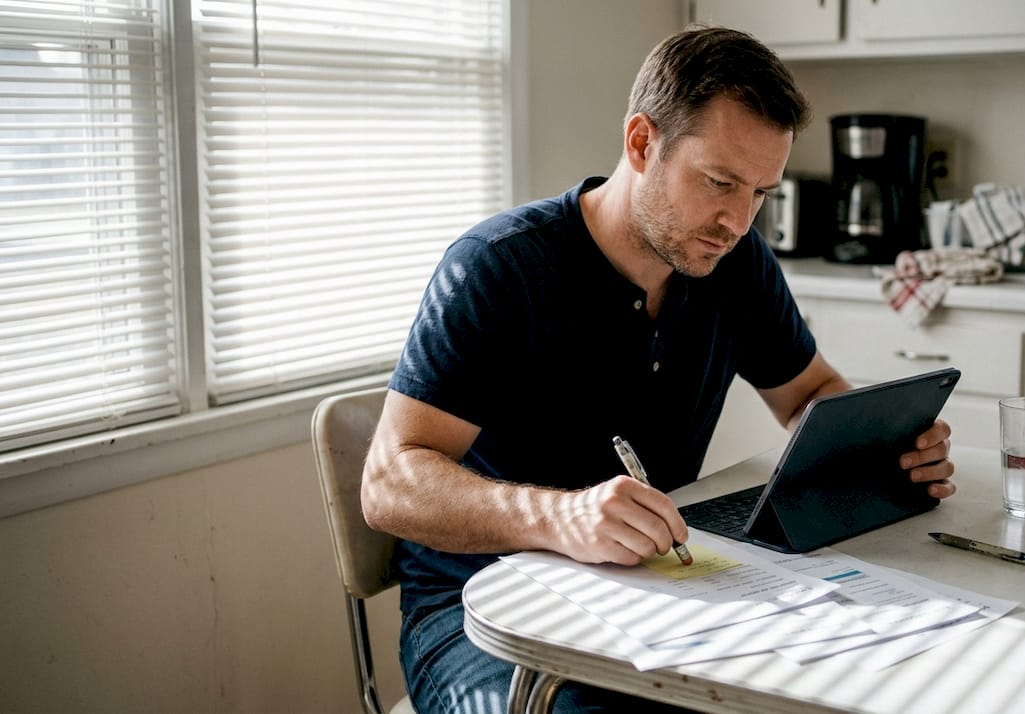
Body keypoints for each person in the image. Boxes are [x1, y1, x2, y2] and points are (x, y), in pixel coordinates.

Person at [361, 24, 956, 714]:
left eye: (760, 192)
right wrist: (561, 516)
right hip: (483, 615)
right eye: (719, 182)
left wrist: (881, 446)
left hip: (654, 592)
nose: (738, 220)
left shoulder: (734, 264)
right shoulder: (498, 267)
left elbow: (812, 392)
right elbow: (388, 486)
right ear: (642, 143)